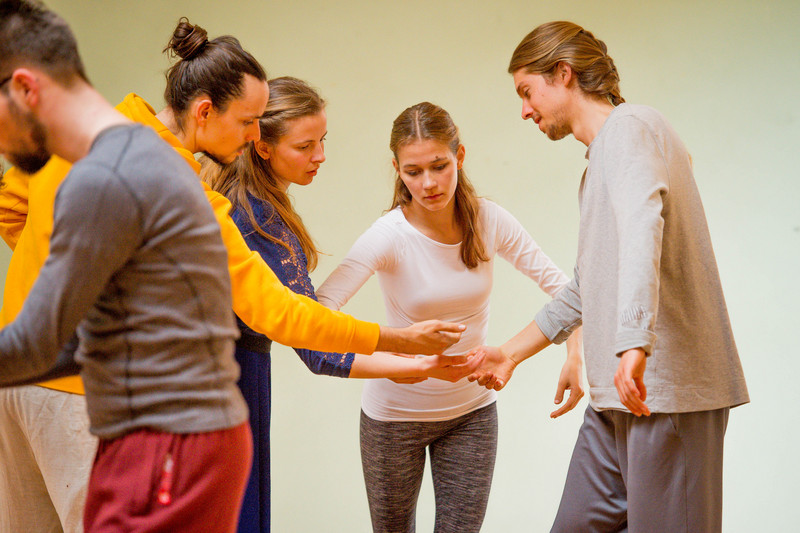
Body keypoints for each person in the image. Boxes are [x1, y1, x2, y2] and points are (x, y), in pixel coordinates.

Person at [0, 16, 464, 533]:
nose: (253, 136)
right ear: (204, 112)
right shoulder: (187, 194)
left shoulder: (85, 135)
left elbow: (12, 209)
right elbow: (282, 314)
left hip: (16, 388)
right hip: (84, 398)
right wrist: (400, 340)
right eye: (248, 122)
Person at [469, 20, 750, 533]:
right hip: (615, 398)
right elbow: (587, 284)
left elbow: (645, 228)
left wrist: (634, 341)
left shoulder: (632, 128)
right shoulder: (601, 157)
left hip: (666, 392)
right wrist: (510, 351)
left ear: (563, 73)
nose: (525, 110)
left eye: (528, 92)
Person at [0, 1, 253, 531]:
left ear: (24, 88)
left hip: (171, 444)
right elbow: (77, 342)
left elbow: (37, 342)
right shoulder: (129, 157)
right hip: (167, 440)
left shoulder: (105, 177)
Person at [205, 76, 483, 533]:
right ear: (263, 147)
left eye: (323, 141)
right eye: (305, 145)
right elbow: (317, 348)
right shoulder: (254, 220)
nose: (320, 156)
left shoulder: (256, 207)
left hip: (236, 371)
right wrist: (411, 359)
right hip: (230, 376)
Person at [316, 101, 581, 533]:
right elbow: (318, 314)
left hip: (472, 414)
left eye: (439, 166)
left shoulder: (489, 219)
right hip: (393, 418)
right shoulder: (389, 235)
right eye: (413, 171)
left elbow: (568, 289)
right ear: (398, 171)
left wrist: (574, 354)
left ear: (459, 156)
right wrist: (396, 344)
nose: (429, 183)